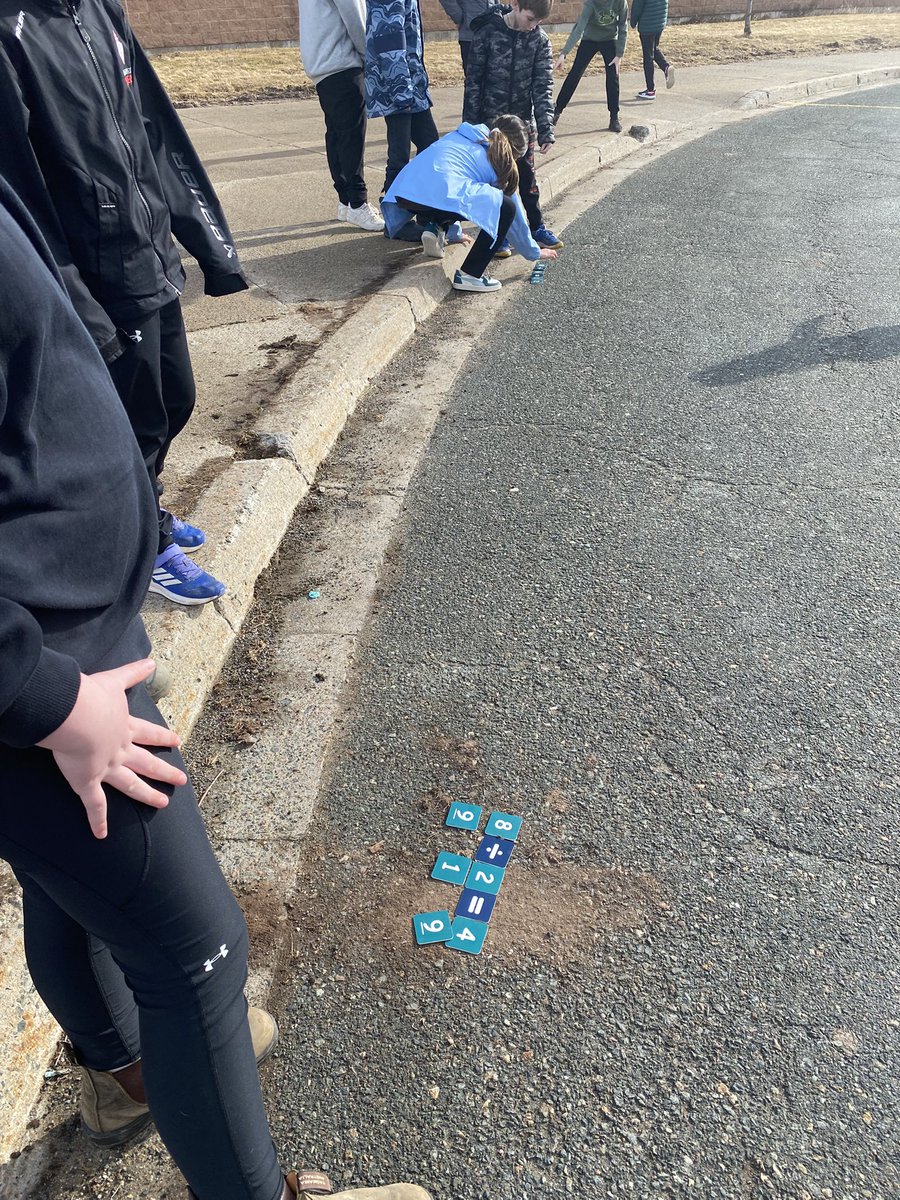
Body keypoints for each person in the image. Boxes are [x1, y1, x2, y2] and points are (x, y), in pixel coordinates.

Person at [0, 181, 430, 1200]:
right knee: (197, 951)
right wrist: (45, 699)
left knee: (82, 892)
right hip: (45, 670)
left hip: (58, 632)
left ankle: (127, 1074)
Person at [0, 0, 247, 607]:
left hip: (151, 256)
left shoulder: (101, 10)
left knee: (173, 401)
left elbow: (156, 134)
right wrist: (80, 310)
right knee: (128, 429)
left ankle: (150, 502)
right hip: (96, 281)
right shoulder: (12, 32)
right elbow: (22, 198)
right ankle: (144, 545)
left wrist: (213, 247)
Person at [381, 115, 558, 293]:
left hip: (405, 194)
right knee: (504, 208)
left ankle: (435, 228)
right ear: (516, 153)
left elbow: (451, 184)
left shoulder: (464, 135)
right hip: (433, 195)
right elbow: (515, 218)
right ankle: (470, 275)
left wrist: (455, 233)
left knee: (459, 194)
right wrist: (534, 252)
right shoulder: (498, 160)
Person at [463, 0, 563, 258]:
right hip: (490, 124)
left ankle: (536, 226)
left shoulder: (539, 40)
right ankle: (501, 233)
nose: (534, 26)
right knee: (496, 181)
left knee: (527, 176)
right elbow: (473, 82)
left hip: (522, 125)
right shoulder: (487, 32)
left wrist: (545, 128)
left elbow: (543, 87)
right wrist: (470, 126)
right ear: (516, 6)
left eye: (539, 22)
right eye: (530, 19)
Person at [298, 0, 384, 232]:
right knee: (351, 135)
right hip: (342, 62)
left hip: (322, 64)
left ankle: (346, 201)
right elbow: (356, 19)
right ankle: (357, 203)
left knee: (337, 134)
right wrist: (370, 55)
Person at [365, 0, 439, 243]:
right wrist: (401, 92)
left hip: (410, 84)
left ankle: (425, 212)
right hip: (398, 85)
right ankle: (396, 222)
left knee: (430, 146)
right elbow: (388, 38)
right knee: (399, 153)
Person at [553, 0, 629, 134]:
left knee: (613, 77)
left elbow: (623, 26)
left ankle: (614, 117)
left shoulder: (620, 2)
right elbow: (579, 28)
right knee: (575, 73)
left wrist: (619, 54)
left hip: (610, 40)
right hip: (589, 39)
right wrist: (564, 54)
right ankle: (557, 111)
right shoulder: (590, 3)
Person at [631, 0, 674, 100]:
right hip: (659, 23)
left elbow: (637, 6)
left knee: (648, 56)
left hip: (647, 25)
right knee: (653, 49)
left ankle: (650, 90)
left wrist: (633, 23)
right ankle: (666, 67)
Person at [437, 0, 490, 74]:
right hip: (470, 35)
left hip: (492, 34)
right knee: (473, 76)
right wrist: (459, 17)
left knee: (495, 77)